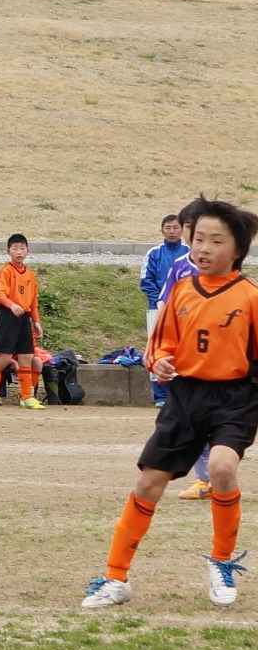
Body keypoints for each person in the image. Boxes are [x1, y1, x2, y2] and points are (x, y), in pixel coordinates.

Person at [82, 196, 258, 610]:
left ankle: (221, 561)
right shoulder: (181, 291)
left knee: (222, 468)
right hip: (185, 397)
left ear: (238, 249)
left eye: (216, 240)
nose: (204, 248)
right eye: (199, 239)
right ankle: (115, 578)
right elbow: (160, 344)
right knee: (148, 484)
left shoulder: (250, 296)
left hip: (235, 397)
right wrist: (160, 361)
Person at [156, 201, 212, 500]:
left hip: (216, 356)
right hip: (187, 354)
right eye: (189, 228)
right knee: (194, 419)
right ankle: (206, 480)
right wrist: (161, 348)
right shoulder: (179, 266)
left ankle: (213, 478)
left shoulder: (223, 266)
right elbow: (165, 306)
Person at [0, 234, 45, 409]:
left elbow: (33, 302)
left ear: (28, 251)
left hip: (24, 318)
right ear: (8, 251)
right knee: (4, 358)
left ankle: (26, 397)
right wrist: (12, 305)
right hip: (8, 317)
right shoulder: (5, 271)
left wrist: (36, 322)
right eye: (15, 248)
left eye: (22, 248)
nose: (19, 252)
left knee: (27, 356)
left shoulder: (30, 274)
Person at [140, 214, 186, 408]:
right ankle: (160, 396)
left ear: (182, 230)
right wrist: (160, 301)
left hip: (185, 311)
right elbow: (146, 281)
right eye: (168, 228)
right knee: (157, 350)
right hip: (157, 309)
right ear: (162, 230)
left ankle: (182, 394)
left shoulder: (190, 253)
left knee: (184, 350)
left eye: (175, 227)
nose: (172, 231)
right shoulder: (154, 253)